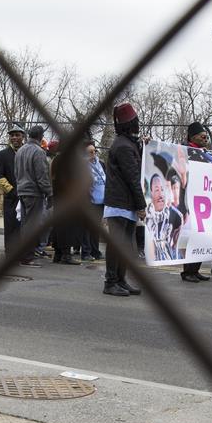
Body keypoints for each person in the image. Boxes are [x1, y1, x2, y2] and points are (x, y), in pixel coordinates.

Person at [102, 103, 145, 297]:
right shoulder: (123, 147)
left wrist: (143, 145)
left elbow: (137, 167)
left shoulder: (126, 143)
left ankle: (120, 280)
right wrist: (141, 205)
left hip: (124, 204)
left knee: (126, 245)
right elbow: (133, 177)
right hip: (120, 203)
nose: (138, 125)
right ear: (130, 124)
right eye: (135, 121)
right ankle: (110, 282)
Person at [14, 125, 52, 268]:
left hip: (22, 191)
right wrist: (49, 193)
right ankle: (27, 257)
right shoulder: (39, 152)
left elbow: (16, 172)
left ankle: (23, 255)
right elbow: (42, 176)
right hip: (34, 193)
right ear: (41, 136)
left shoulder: (20, 151)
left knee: (25, 224)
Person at [180, 122, 211, 282]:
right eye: (202, 135)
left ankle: (195, 269)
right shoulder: (184, 151)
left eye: (206, 135)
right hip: (188, 199)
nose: (205, 137)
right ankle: (187, 271)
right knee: (190, 236)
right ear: (193, 137)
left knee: (200, 235)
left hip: (202, 200)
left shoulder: (204, 153)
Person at [48, 139, 82, 265]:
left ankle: (58, 254)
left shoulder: (56, 159)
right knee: (67, 227)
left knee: (58, 226)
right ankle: (66, 255)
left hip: (58, 197)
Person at [0, 125, 26, 258]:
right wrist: (10, 189)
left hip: (27, 194)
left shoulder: (27, 152)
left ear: (23, 136)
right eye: (12, 135)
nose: (14, 138)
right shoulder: (3, 154)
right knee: (11, 224)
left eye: (17, 135)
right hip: (11, 196)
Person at [81, 142, 107, 262]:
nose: (93, 154)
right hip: (88, 200)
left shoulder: (100, 163)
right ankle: (86, 252)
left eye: (94, 151)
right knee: (86, 227)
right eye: (90, 152)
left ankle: (95, 251)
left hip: (101, 200)